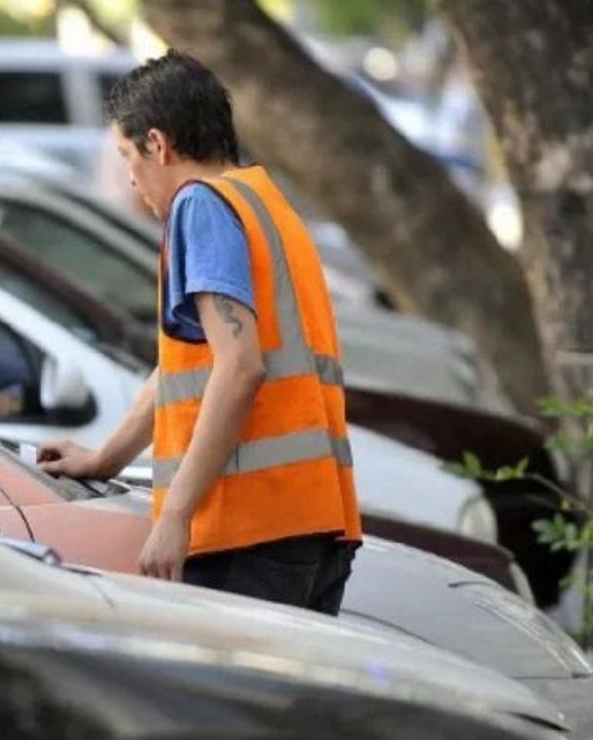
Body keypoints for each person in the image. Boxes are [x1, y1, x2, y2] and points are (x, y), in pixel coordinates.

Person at [38, 50, 361, 614]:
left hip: (248, 535)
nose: (131, 179)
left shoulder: (199, 206)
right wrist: (107, 458)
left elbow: (239, 367)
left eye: (126, 156)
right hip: (311, 523)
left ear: (158, 145)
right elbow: (192, 365)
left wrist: (176, 516)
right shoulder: (262, 200)